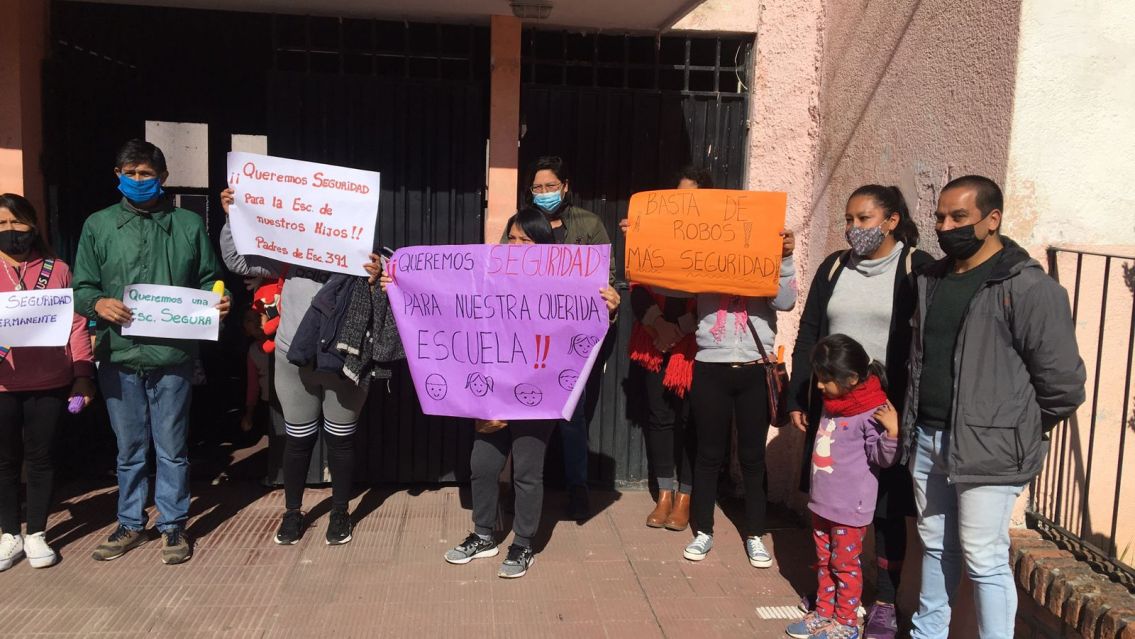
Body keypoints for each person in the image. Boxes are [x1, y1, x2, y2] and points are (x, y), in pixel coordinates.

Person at [381, 207, 619, 578]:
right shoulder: (487, 279)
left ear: (545, 246)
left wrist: (610, 309)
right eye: (513, 237)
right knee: (483, 464)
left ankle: (523, 543)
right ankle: (483, 534)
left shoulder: (566, 282)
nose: (518, 245)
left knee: (527, 471)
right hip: (492, 395)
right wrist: (396, 282)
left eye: (527, 239)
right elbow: (443, 296)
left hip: (537, 396)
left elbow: (588, 324)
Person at [904, 175, 1085, 639]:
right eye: (940, 217)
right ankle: (928, 634)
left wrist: (1016, 429)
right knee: (934, 547)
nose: (946, 226)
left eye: (959, 217)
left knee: (983, 556)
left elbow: (1062, 384)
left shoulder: (1028, 288)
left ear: (992, 219)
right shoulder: (932, 281)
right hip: (928, 437)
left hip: (991, 449)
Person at [73, 140, 230, 565]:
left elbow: (209, 279)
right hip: (118, 354)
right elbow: (82, 286)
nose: (138, 180)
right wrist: (97, 303)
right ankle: (129, 521)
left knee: (172, 446)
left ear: (162, 178)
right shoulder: (98, 225)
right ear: (117, 175)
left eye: (146, 173)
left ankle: (173, 524)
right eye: (130, 172)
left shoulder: (188, 225)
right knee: (129, 448)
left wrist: (219, 297)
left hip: (173, 355)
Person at [787, 184, 932, 638]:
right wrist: (800, 393)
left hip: (883, 409)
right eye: (849, 219)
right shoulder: (833, 267)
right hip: (832, 406)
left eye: (863, 219)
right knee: (830, 500)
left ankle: (885, 600)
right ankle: (831, 595)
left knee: (887, 507)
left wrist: (906, 413)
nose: (853, 229)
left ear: (891, 221)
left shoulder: (916, 268)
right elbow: (810, 329)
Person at [219, 187, 368, 546]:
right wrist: (231, 217)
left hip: (343, 363)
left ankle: (340, 512)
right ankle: (292, 512)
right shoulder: (288, 255)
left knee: (341, 443)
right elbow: (238, 262)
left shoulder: (361, 257)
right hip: (293, 362)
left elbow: (392, 281)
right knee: (297, 442)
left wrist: (378, 271)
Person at [505, 156, 614, 521]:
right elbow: (497, 270)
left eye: (551, 186)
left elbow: (607, 279)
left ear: (565, 186)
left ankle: (577, 489)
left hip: (570, 340)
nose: (545, 193)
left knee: (572, 416)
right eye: (538, 187)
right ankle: (521, 489)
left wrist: (611, 300)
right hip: (525, 337)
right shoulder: (521, 225)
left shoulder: (589, 224)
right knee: (519, 410)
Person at [682, 226, 796, 567]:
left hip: (754, 368)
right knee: (708, 454)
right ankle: (704, 531)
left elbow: (786, 302)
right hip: (710, 369)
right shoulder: (704, 259)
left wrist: (786, 258)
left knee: (751, 457)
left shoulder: (764, 256)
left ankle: (755, 534)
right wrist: (640, 242)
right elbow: (666, 282)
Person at [0, 194, 95, 570]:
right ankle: (9, 533)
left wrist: (83, 375)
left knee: (41, 459)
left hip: (49, 381)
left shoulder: (58, 269)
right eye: (2, 225)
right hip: (2, 385)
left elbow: (76, 324)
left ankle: (37, 532)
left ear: (33, 225)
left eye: (17, 223)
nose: (11, 232)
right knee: (4, 463)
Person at [785, 334, 899, 639]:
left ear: (850, 378)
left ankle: (846, 623)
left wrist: (892, 432)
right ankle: (823, 613)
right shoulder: (833, 403)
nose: (819, 386)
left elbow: (882, 458)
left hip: (850, 508)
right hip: (823, 503)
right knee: (824, 562)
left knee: (845, 565)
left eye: (825, 379)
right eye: (818, 378)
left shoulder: (871, 411)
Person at [626, 166, 710, 530]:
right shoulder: (654, 232)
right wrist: (659, 325)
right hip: (654, 338)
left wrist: (681, 328)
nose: (680, 202)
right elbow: (637, 283)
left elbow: (717, 289)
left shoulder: (716, 239)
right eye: (676, 195)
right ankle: (664, 493)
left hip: (693, 344)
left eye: (688, 196)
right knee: (659, 418)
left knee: (690, 421)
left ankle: (686, 498)